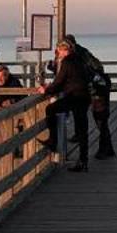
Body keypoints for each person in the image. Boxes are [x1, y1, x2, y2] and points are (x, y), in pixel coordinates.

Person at [44, 36, 93, 171]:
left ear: (64, 50)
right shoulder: (79, 59)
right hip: (83, 97)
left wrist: (46, 89)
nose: (58, 54)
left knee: (50, 109)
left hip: (75, 97)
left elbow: (59, 81)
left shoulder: (67, 62)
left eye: (59, 51)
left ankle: (53, 141)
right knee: (82, 129)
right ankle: (83, 161)